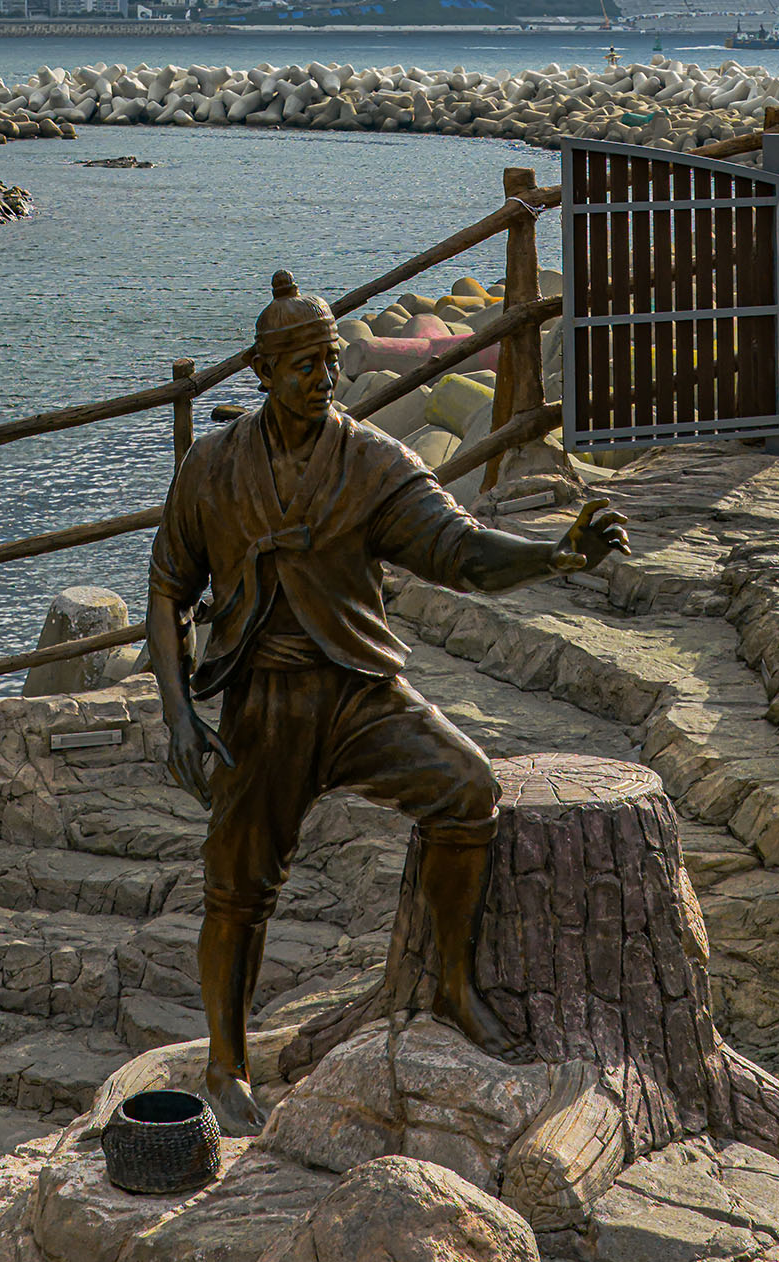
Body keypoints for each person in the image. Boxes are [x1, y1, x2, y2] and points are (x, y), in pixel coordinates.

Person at [147, 270, 628, 1132]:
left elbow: (461, 551)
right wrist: (179, 716)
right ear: (262, 370)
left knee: (465, 788)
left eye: (331, 360)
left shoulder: (371, 462)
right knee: (238, 884)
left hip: (358, 691)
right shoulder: (212, 467)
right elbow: (167, 589)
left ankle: (450, 988)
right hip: (263, 702)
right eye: (303, 364)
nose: (323, 377)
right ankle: (226, 1066)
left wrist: (556, 556)